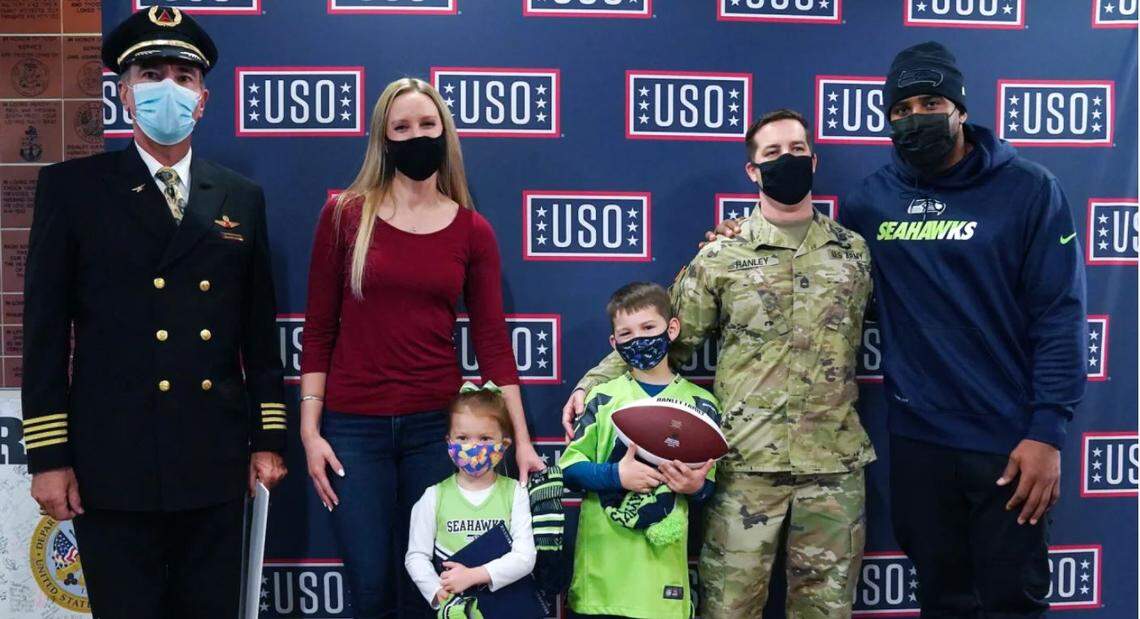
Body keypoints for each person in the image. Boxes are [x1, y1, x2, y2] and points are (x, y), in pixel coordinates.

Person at [711, 44, 1087, 618]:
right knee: (942, 598)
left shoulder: (1031, 189)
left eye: (930, 102)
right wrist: (740, 237)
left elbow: (1059, 314)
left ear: (959, 108)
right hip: (919, 445)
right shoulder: (872, 201)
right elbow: (817, 266)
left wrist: (1048, 431)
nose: (916, 118)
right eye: (901, 109)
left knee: (1013, 601)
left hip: (1009, 443)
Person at [21, 7, 287, 617]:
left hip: (212, 458)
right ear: (123, 91)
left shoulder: (239, 197)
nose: (167, 87)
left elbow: (258, 331)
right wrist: (50, 458)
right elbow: (43, 334)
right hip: (112, 462)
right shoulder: (72, 189)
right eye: (150, 72)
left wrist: (267, 438)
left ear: (203, 98)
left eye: (183, 76)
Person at [565, 110, 876, 618]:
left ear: (814, 161)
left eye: (797, 150)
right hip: (742, 465)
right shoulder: (722, 255)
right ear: (752, 171)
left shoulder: (854, 253)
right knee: (728, 611)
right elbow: (669, 336)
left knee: (826, 612)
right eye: (772, 153)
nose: (787, 161)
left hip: (833, 469)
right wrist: (595, 381)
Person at [299, 77, 545, 618]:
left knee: (430, 589)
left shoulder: (471, 230)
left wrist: (522, 441)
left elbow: (493, 344)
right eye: (402, 127)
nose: (416, 136)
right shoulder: (345, 215)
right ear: (383, 139)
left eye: (427, 125)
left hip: (435, 431)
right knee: (368, 585)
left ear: (445, 133)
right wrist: (309, 430)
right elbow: (318, 331)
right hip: (352, 429)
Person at [559, 282, 718, 619]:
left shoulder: (702, 404)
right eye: (627, 334)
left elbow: (707, 486)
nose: (639, 340)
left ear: (671, 329)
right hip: (602, 581)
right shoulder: (601, 398)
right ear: (614, 344)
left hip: (660, 585)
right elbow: (570, 470)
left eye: (649, 328)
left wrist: (695, 487)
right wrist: (617, 474)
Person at [404, 383, 538, 618]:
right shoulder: (434, 496)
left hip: (505, 607)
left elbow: (525, 557)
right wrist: (437, 593)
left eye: (485, 438)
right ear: (449, 443)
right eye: (463, 438)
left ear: (504, 445)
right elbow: (416, 556)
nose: (473, 447)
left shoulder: (515, 493)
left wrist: (474, 575)